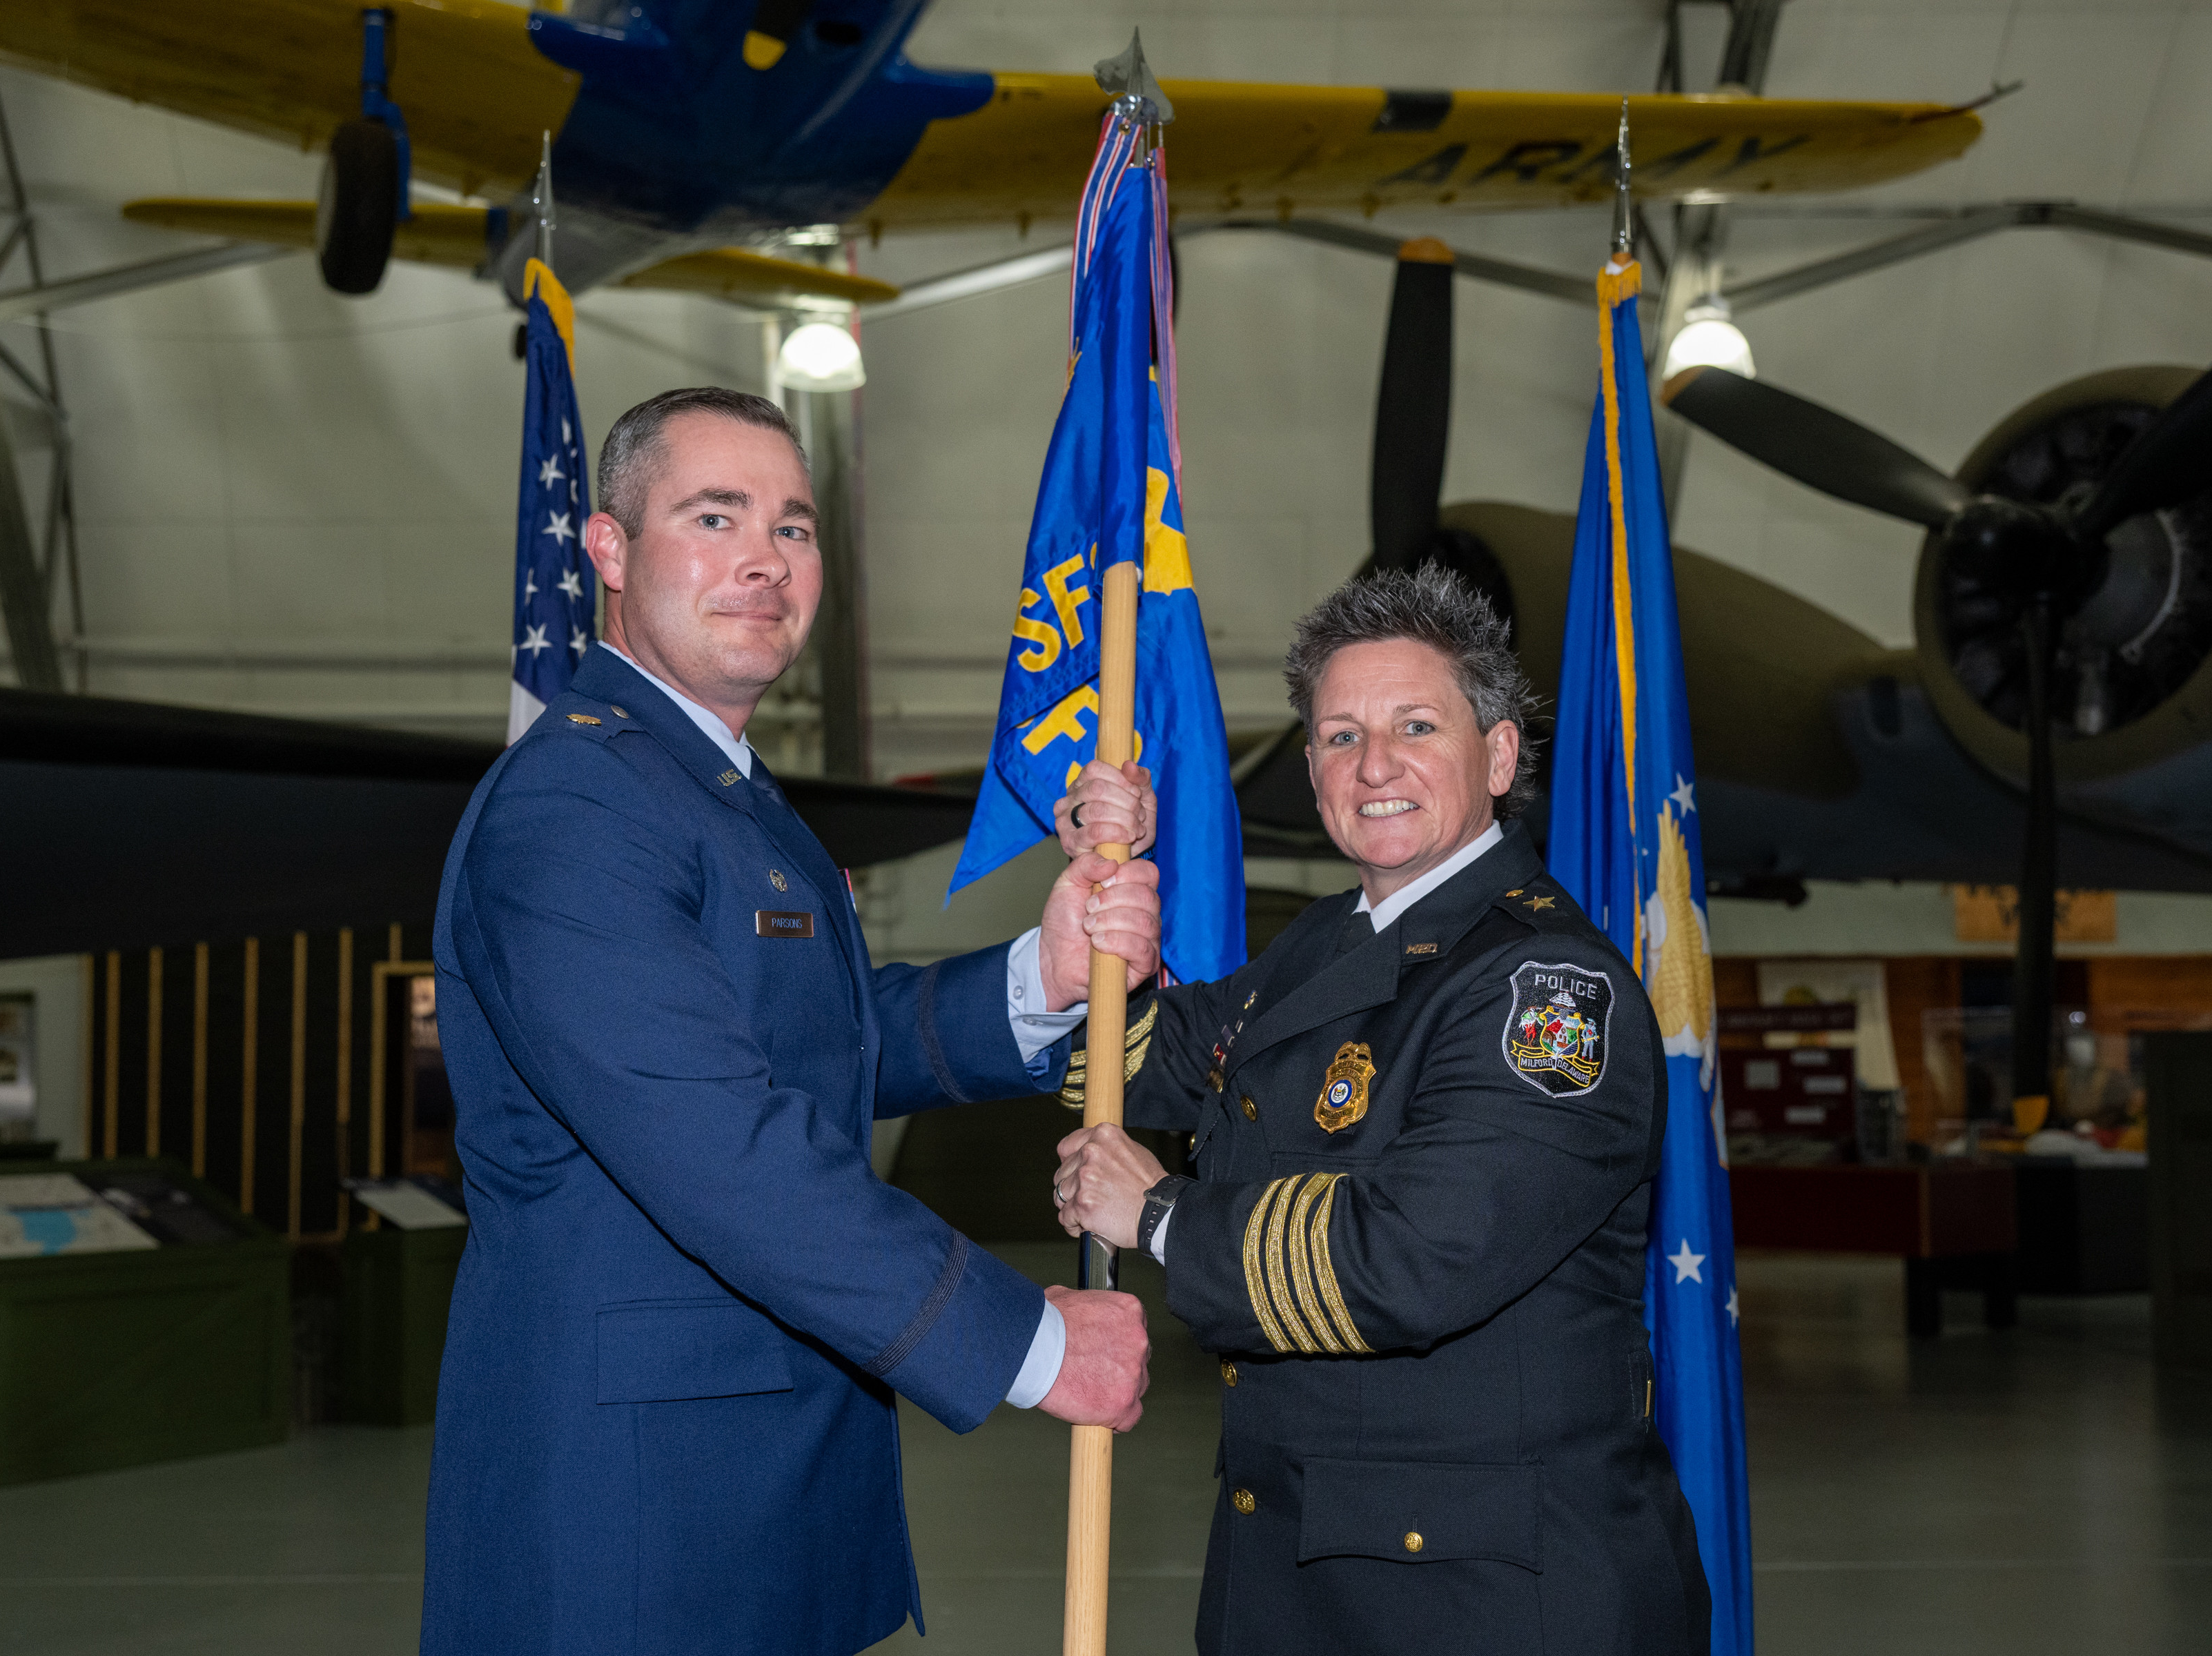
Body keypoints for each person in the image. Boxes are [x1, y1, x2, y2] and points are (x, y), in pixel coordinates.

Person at [422, 387, 1158, 1656]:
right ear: (608, 550)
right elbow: (716, 1140)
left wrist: (1037, 977)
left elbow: (811, 1039)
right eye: (715, 517)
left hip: (755, 1483)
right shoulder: (577, 807)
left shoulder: (713, 790)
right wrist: (1029, 1345)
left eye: (795, 528)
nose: (766, 558)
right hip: (637, 1518)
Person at [1051, 565, 1710, 1655]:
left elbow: (1416, 1259)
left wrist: (1161, 1215)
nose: (1375, 766)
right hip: (1299, 1576)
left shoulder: (1546, 986)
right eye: (1340, 736)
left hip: (1487, 1601)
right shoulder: (1324, 943)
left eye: (1416, 726)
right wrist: (1092, 903)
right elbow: (1128, 1066)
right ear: (1312, 768)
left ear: (1499, 757)